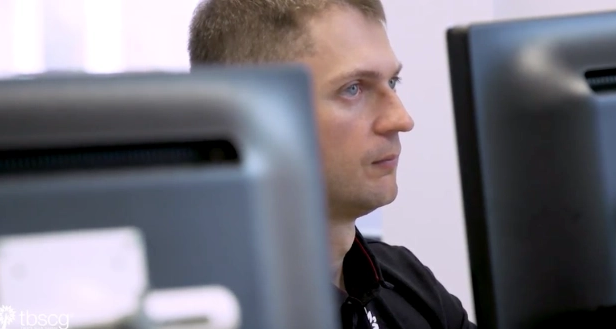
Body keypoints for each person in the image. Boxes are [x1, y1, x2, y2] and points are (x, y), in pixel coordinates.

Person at [188, 1, 476, 328]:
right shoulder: (208, 315)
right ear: (254, 114)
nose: (401, 119)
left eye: (392, 82)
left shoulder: (406, 281)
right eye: (353, 89)